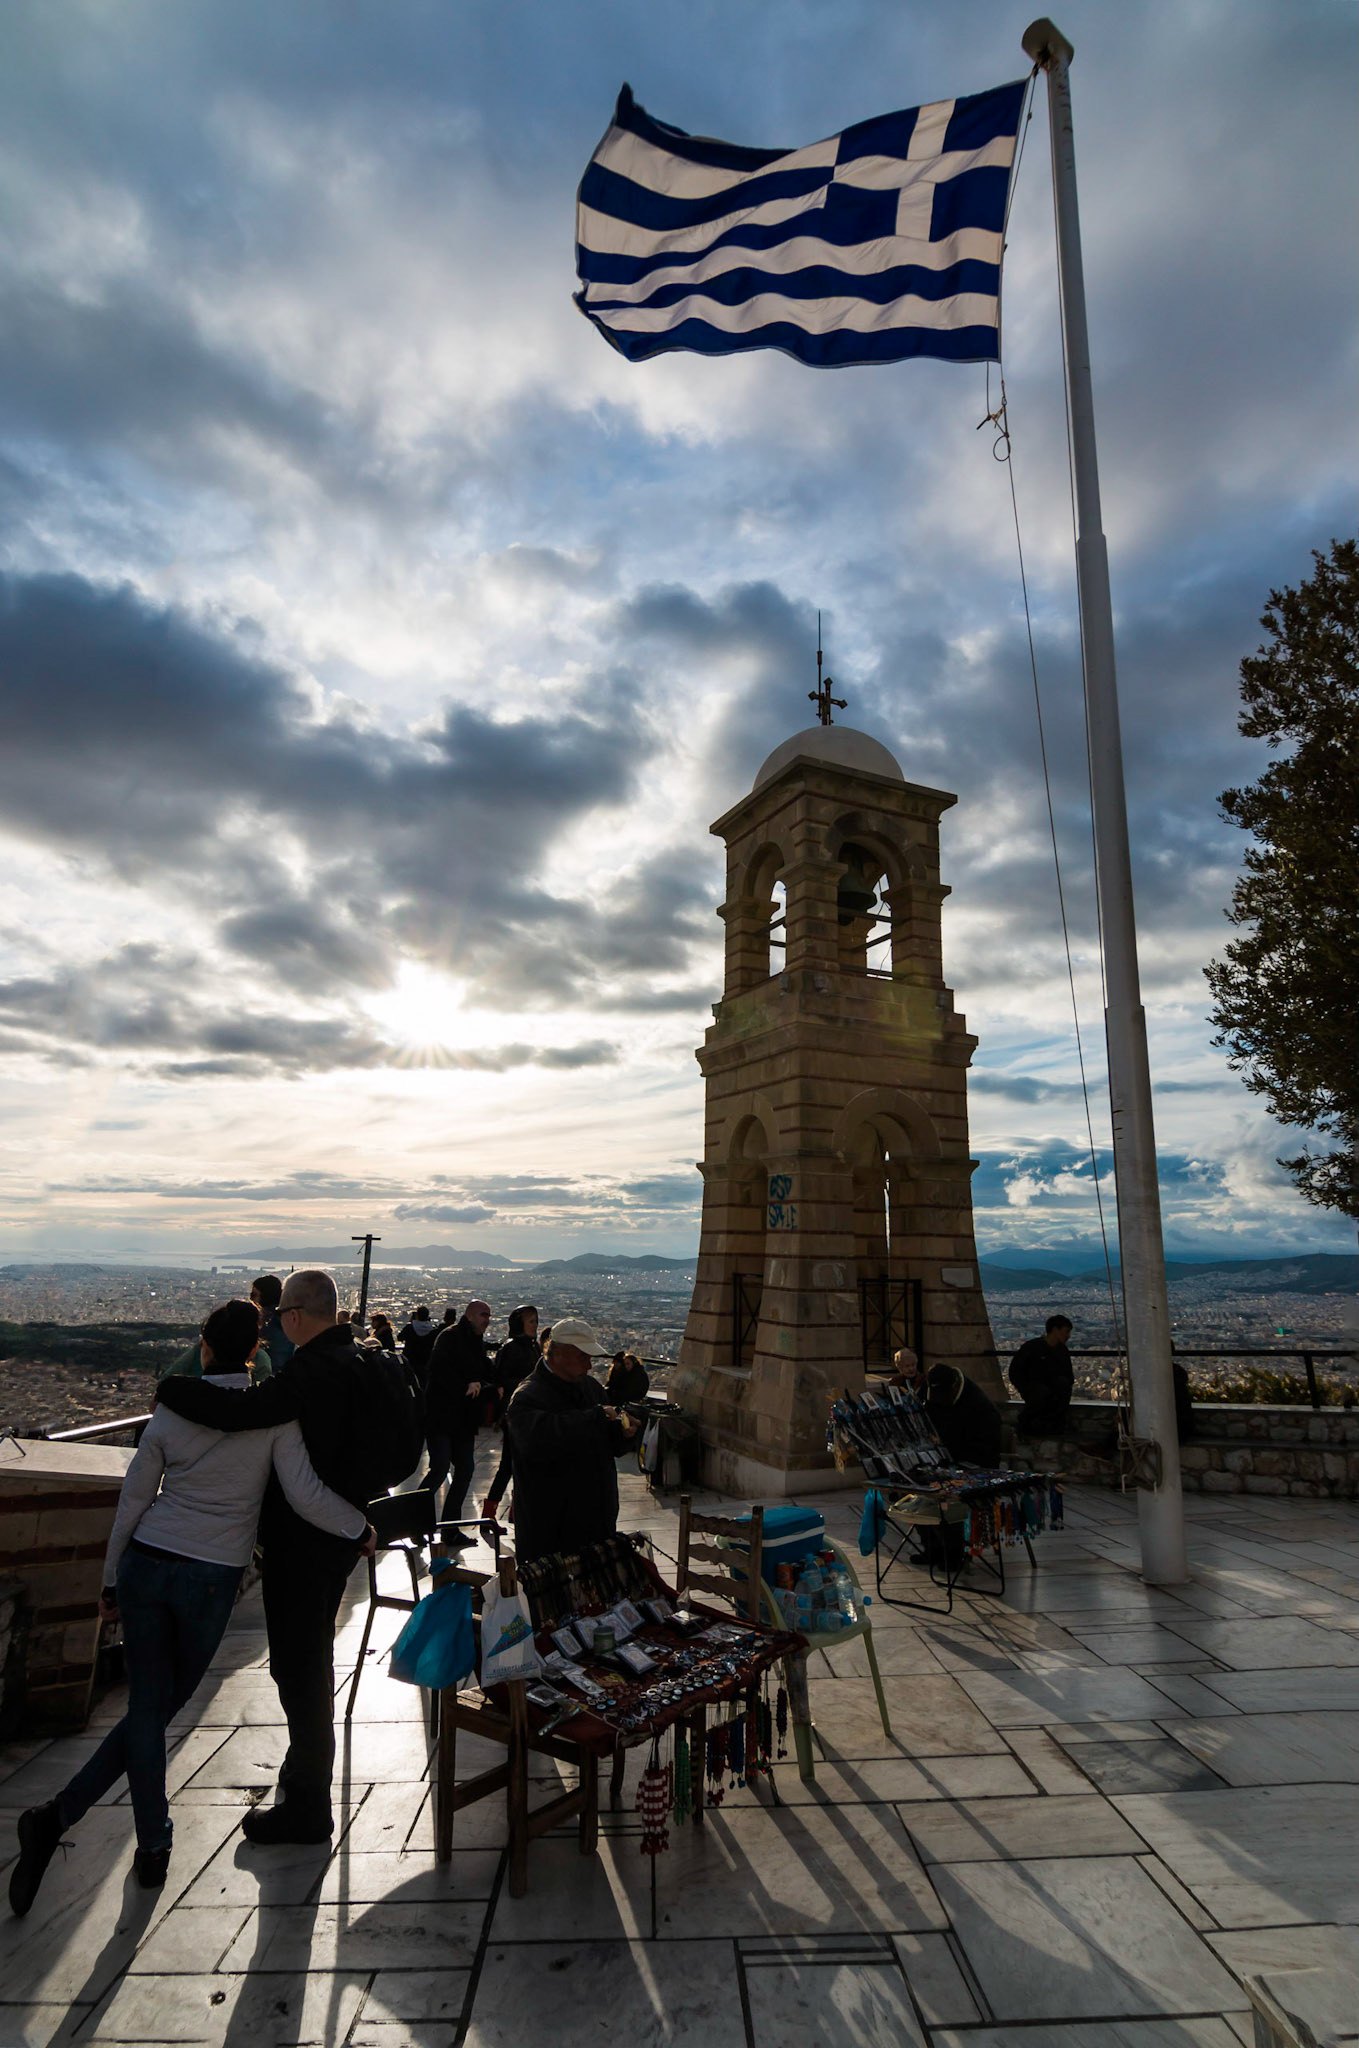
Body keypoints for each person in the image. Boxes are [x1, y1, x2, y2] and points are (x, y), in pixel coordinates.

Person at [8, 1301, 372, 1917]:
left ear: (204, 1346)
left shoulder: (173, 1407)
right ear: (254, 1351)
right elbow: (307, 1496)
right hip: (211, 1575)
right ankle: (122, 1836)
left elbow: (133, 1499)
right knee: (154, 1712)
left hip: (148, 1563)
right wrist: (359, 1527)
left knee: (147, 1711)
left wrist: (110, 1579)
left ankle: (94, 1827)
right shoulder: (274, 1417)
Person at [154, 1269, 390, 1844]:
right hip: (338, 1538)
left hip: (307, 1543)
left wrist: (173, 1390)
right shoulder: (359, 1359)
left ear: (295, 1316)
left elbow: (241, 1411)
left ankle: (308, 1806)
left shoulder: (311, 1372)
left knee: (300, 1670)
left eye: (282, 1314)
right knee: (311, 1661)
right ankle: (301, 1771)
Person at [505, 1317, 637, 1564]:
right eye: (582, 1357)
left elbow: (608, 1444)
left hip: (596, 1522)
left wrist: (623, 1433)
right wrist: (595, 1417)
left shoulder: (591, 1388)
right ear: (557, 1353)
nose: (589, 1365)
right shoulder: (527, 1396)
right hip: (551, 1529)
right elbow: (542, 1440)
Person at [422, 1299, 492, 1524]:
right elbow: (438, 1372)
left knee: (464, 1470)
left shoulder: (474, 1341)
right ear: (469, 1315)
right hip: (442, 1416)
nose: (487, 1320)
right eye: (483, 1315)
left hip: (462, 1418)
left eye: (488, 1315)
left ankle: (449, 1526)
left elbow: (482, 1373)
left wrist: (489, 1385)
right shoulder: (450, 1337)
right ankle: (414, 1519)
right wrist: (466, 1386)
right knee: (441, 1468)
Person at [480, 1304, 539, 1523]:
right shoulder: (513, 1348)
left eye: (535, 1321)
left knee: (517, 1465)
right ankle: (492, 1513)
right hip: (515, 1414)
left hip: (526, 1413)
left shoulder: (531, 1346)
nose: (535, 1325)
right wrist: (526, 1383)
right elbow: (501, 1379)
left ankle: (505, 1511)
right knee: (509, 1465)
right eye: (531, 1321)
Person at [1008, 1315, 1075, 1437]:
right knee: (1042, 1393)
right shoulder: (1032, 1347)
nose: (1068, 1336)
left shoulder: (1062, 1350)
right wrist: (1024, 1386)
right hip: (1034, 1388)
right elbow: (1015, 1370)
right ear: (1055, 1330)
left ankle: (1053, 1427)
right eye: (1066, 1332)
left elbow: (1068, 1376)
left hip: (1053, 1389)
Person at [252, 1273, 294, 1373]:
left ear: (265, 1296)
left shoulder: (263, 1321)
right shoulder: (288, 1318)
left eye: (254, 1295)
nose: (251, 1299)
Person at [399, 1304, 437, 1377]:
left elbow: (400, 1337)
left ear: (417, 1315)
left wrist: (411, 1321)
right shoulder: (433, 1328)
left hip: (410, 1358)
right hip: (426, 1359)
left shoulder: (410, 1327)